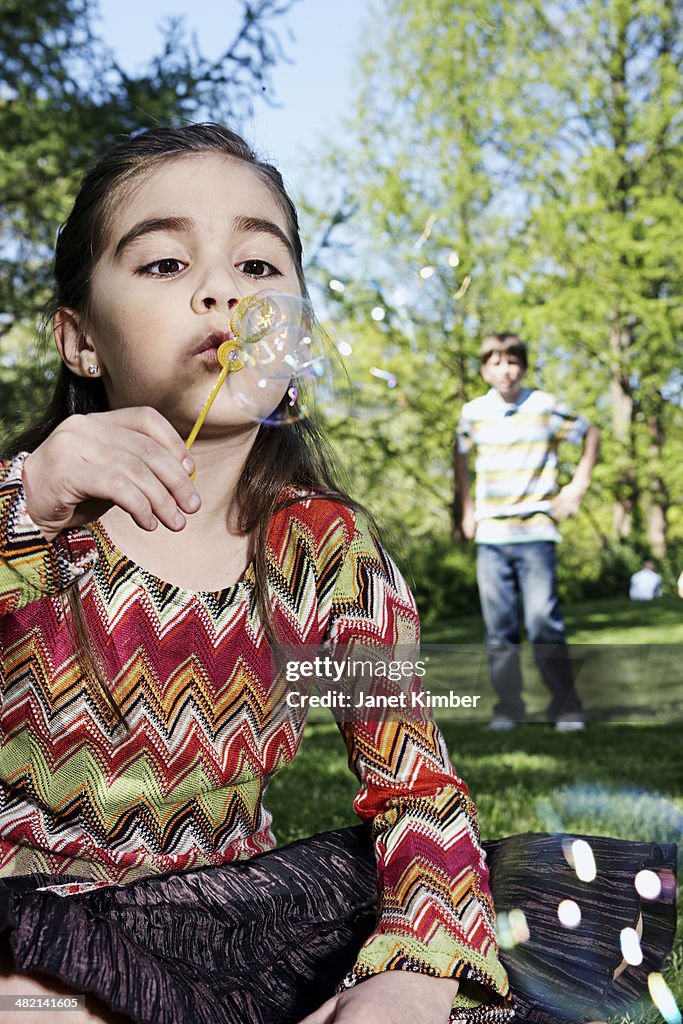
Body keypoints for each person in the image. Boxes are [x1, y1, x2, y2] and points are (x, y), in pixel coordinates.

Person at [0, 128, 675, 1024]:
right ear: (80, 341)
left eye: (258, 264)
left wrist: (411, 974)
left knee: (469, 896)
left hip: (226, 921)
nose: (223, 291)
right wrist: (28, 505)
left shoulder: (323, 549)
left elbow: (413, 785)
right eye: (165, 263)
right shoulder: (34, 513)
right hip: (32, 910)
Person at [454, 334, 600, 732]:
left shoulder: (544, 406)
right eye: (496, 363)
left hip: (536, 531)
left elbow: (590, 433)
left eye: (513, 362)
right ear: (485, 369)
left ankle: (567, 708)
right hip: (492, 535)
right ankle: (508, 709)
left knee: (543, 622)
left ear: (524, 366)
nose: (506, 370)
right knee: (499, 629)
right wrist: (467, 509)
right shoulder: (473, 413)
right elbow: (461, 455)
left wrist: (577, 487)